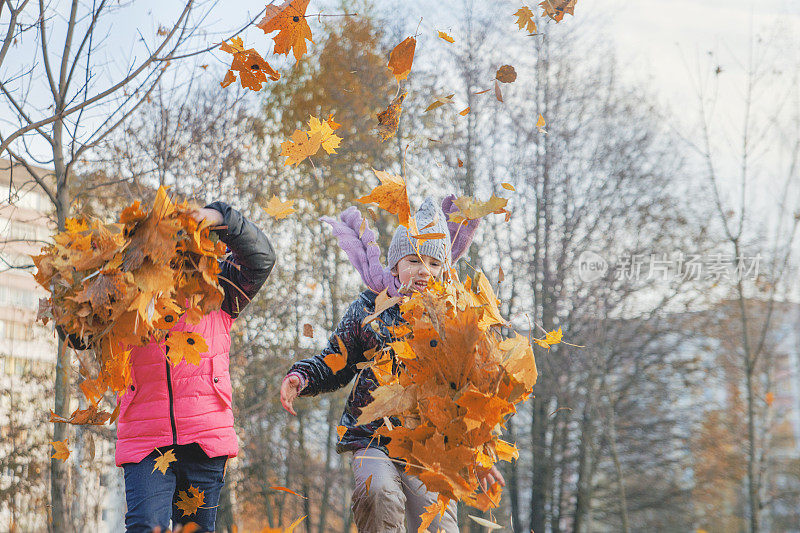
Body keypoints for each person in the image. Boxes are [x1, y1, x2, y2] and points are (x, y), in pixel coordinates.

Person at [280, 197, 503, 533]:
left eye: (433, 263)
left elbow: (473, 392)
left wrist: (480, 454)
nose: (424, 271)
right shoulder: (369, 308)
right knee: (379, 493)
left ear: (445, 269)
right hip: (374, 436)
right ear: (396, 265)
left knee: (437, 522)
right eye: (413, 260)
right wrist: (303, 376)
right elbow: (335, 360)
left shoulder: (456, 316)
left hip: (430, 444)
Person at [62, 201, 275, 532]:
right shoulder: (122, 290)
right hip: (145, 438)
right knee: (145, 525)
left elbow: (261, 260)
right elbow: (77, 337)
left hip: (205, 436)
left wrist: (221, 216)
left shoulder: (216, 285)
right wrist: (71, 283)